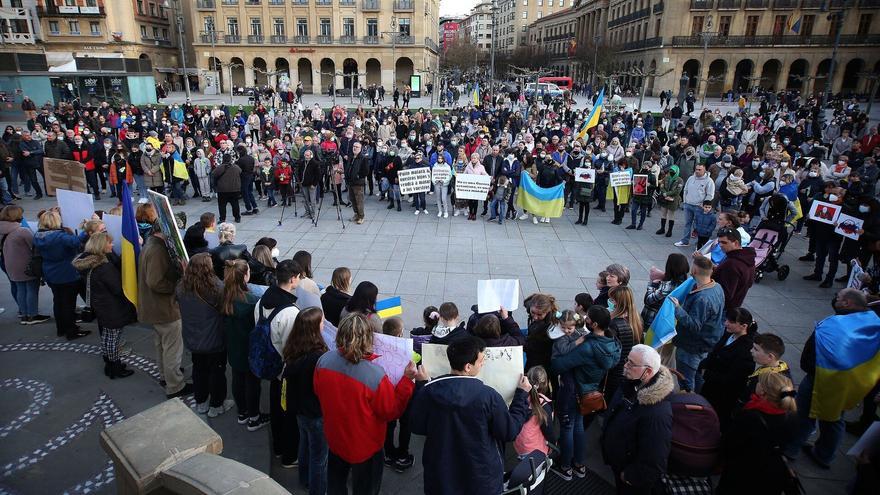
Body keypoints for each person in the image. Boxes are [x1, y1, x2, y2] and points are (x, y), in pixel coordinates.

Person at [410, 335, 531, 495]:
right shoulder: (488, 396)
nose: (483, 364)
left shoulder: (429, 391)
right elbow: (509, 431)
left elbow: (417, 426)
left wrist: (421, 385)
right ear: (468, 367)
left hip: (441, 477)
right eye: (481, 361)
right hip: (481, 478)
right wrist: (521, 395)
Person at [314, 313, 417, 495]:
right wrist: (407, 381)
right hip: (366, 447)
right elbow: (391, 411)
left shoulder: (324, 361)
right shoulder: (375, 375)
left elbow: (318, 391)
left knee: (336, 485)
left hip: (335, 438)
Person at [786, 288, 880, 468]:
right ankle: (824, 455)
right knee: (834, 418)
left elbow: (812, 354)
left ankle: (791, 448)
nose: (835, 298)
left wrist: (810, 367)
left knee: (803, 414)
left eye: (839, 297)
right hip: (850, 383)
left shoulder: (833, 325)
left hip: (821, 377)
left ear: (847, 303)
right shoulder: (873, 322)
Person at [550, 305, 621, 481]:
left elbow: (558, 366)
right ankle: (579, 464)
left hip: (573, 391)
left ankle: (565, 466)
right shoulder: (612, 342)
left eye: (588, 318)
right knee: (579, 426)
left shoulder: (587, 347)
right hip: (590, 390)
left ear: (594, 324)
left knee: (567, 427)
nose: (584, 319)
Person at [601, 344, 674, 495]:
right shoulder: (631, 382)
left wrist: (630, 476)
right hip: (618, 464)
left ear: (648, 372)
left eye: (631, 364)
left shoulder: (657, 413)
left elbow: (655, 459)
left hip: (630, 478)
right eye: (627, 360)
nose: (625, 365)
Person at [716, 373, 799, 495]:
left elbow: (730, 443)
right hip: (769, 477)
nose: (757, 383)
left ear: (763, 391)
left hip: (742, 475)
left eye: (759, 382)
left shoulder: (751, 416)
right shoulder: (790, 416)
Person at [138, 220, 192, 399]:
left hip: (155, 307)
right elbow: (156, 282)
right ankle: (175, 385)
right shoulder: (157, 250)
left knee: (162, 345)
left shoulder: (152, 244)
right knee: (172, 348)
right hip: (164, 308)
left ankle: (166, 376)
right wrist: (179, 284)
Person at [71, 232, 136, 378]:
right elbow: (118, 289)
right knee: (113, 338)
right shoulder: (104, 267)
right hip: (112, 307)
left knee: (107, 337)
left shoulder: (89, 262)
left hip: (101, 304)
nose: (112, 245)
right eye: (109, 243)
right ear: (101, 246)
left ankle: (109, 363)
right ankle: (115, 367)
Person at [177, 253, 234, 417]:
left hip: (193, 338)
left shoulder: (181, 287)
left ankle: (201, 402)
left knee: (199, 370)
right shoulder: (216, 287)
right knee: (217, 372)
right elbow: (226, 309)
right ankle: (217, 404)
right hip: (214, 339)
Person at [282, 307, 329, 493]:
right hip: (315, 412)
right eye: (322, 322)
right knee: (319, 457)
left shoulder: (293, 348)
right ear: (314, 328)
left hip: (299, 409)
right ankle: (317, 490)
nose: (324, 325)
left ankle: (304, 479)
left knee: (305, 444)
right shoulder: (318, 357)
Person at [669, 256, 726, 391]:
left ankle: (689, 400)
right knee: (696, 374)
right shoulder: (717, 287)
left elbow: (694, 325)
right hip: (706, 343)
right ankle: (700, 395)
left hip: (691, 347)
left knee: (685, 379)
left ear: (694, 270)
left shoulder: (702, 298)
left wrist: (677, 309)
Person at [222, 257, 265, 428]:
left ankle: (242, 412)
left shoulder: (225, 297)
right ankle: (254, 417)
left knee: (237, 378)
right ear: (245, 276)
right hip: (250, 348)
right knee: (253, 383)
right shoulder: (252, 301)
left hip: (234, 347)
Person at [698, 307, 758, 431]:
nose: (726, 323)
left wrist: (707, 373)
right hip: (712, 387)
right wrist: (705, 364)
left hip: (723, 397)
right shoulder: (730, 334)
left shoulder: (746, 350)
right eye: (726, 320)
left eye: (731, 322)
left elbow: (734, 379)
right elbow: (716, 352)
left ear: (744, 326)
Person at [33, 210, 89, 340]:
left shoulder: (38, 235)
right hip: (66, 272)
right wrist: (86, 229)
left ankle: (61, 328)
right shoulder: (60, 237)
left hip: (50, 272)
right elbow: (76, 241)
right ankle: (71, 331)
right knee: (68, 304)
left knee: (58, 301)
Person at [0, 206, 49, 325]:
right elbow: (35, 245)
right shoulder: (22, 231)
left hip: (9, 264)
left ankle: (24, 314)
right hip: (26, 264)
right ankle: (33, 315)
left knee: (20, 288)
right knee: (31, 288)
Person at [708, 227, 756, 312]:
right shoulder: (747, 258)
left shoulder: (732, 264)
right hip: (734, 307)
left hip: (722, 309)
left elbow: (725, 294)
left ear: (736, 243)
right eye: (719, 242)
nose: (720, 245)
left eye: (724, 242)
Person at [739, 333, 791, 409]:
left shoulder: (770, 382)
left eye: (756, 349)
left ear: (770, 356)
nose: (751, 350)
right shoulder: (778, 367)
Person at [513, 366, 555, 458]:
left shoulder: (520, 398)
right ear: (545, 383)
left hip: (520, 447)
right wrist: (554, 444)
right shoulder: (543, 405)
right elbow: (549, 432)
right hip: (536, 451)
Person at [675, 164, 715, 247]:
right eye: (696, 169)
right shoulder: (691, 178)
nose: (697, 171)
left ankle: (699, 244)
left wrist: (703, 204)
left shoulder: (709, 181)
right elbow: (685, 189)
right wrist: (685, 201)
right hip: (688, 204)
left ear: (704, 170)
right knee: (687, 223)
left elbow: (710, 195)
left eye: (700, 169)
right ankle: (685, 241)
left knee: (699, 225)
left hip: (699, 207)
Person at [344, 141, 370, 224]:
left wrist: (358, 176)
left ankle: (361, 216)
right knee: (352, 200)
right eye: (354, 146)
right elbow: (348, 167)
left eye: (357, 147)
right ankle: (356, 214)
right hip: (350, 182)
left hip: (358, 183)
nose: (354, 148)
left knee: (359, 201)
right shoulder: (351, 157)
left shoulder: (363, 158)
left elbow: (366, 171)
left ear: (360, 149)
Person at [213, 152, 242, 223]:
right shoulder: (236, 167)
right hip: (234, 189)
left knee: (222, 205)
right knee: (235, 204)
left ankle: (222, 219)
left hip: (222, 190)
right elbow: (240, 172)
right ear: (230, 159)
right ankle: (237, 218)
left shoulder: (219, 168)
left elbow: (214, 175)